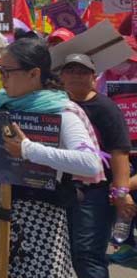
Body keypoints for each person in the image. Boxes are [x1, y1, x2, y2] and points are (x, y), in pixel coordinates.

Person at [0, 38, 103, 278]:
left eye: (7, 71)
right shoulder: (1, 103)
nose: (2, 78)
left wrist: (29, 150)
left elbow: (90, 163)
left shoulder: (63, 111)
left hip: (40, 222)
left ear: (33, 73)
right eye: (0, 70)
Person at [60, 53, 134, 278]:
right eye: (71, 70)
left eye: (82, 72)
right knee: (65, 252)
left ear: (94, 77)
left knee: (88, 256)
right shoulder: (57, 102)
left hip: (95, 192)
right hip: (62, 188)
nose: (76, 76)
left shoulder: (105, 108)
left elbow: (120, 152)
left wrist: (121, 193)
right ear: (61, 75)